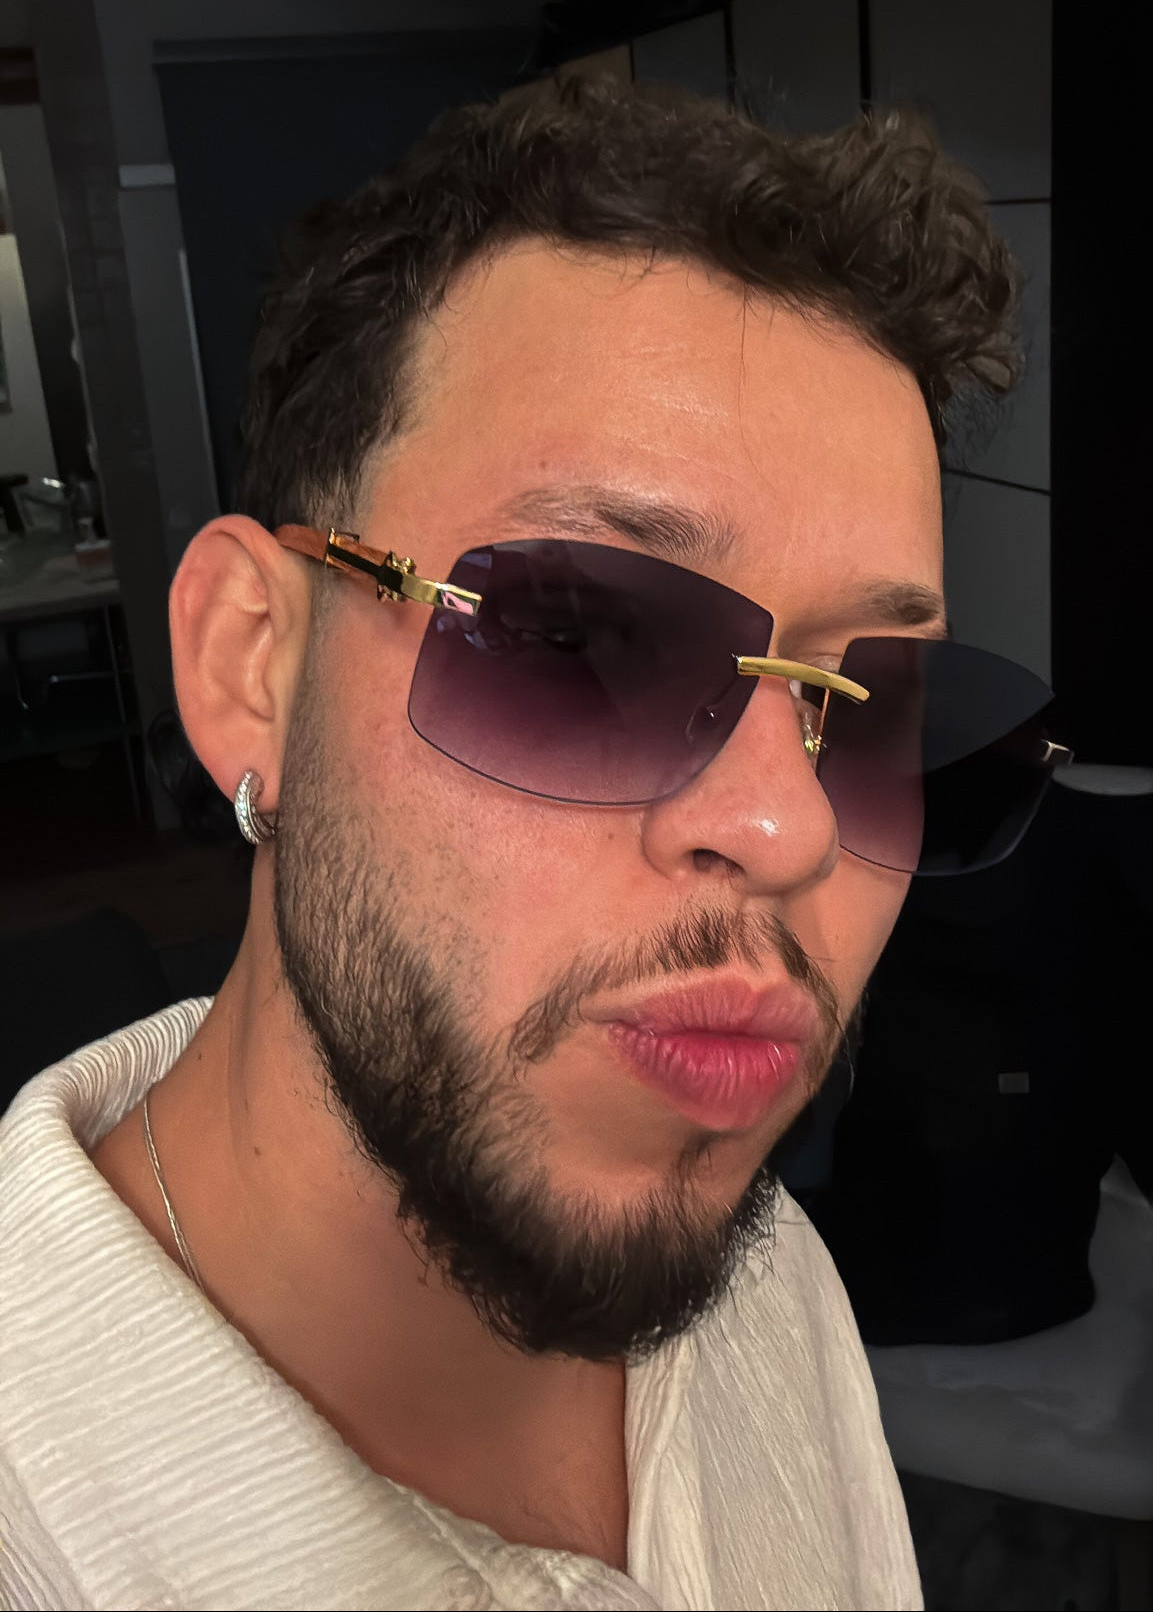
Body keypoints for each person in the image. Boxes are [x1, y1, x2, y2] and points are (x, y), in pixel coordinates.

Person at [0, 77, 1065, 1612]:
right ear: (252, 664)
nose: (787, 827)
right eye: (580, 641)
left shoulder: (769, 1277)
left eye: (866, 703)